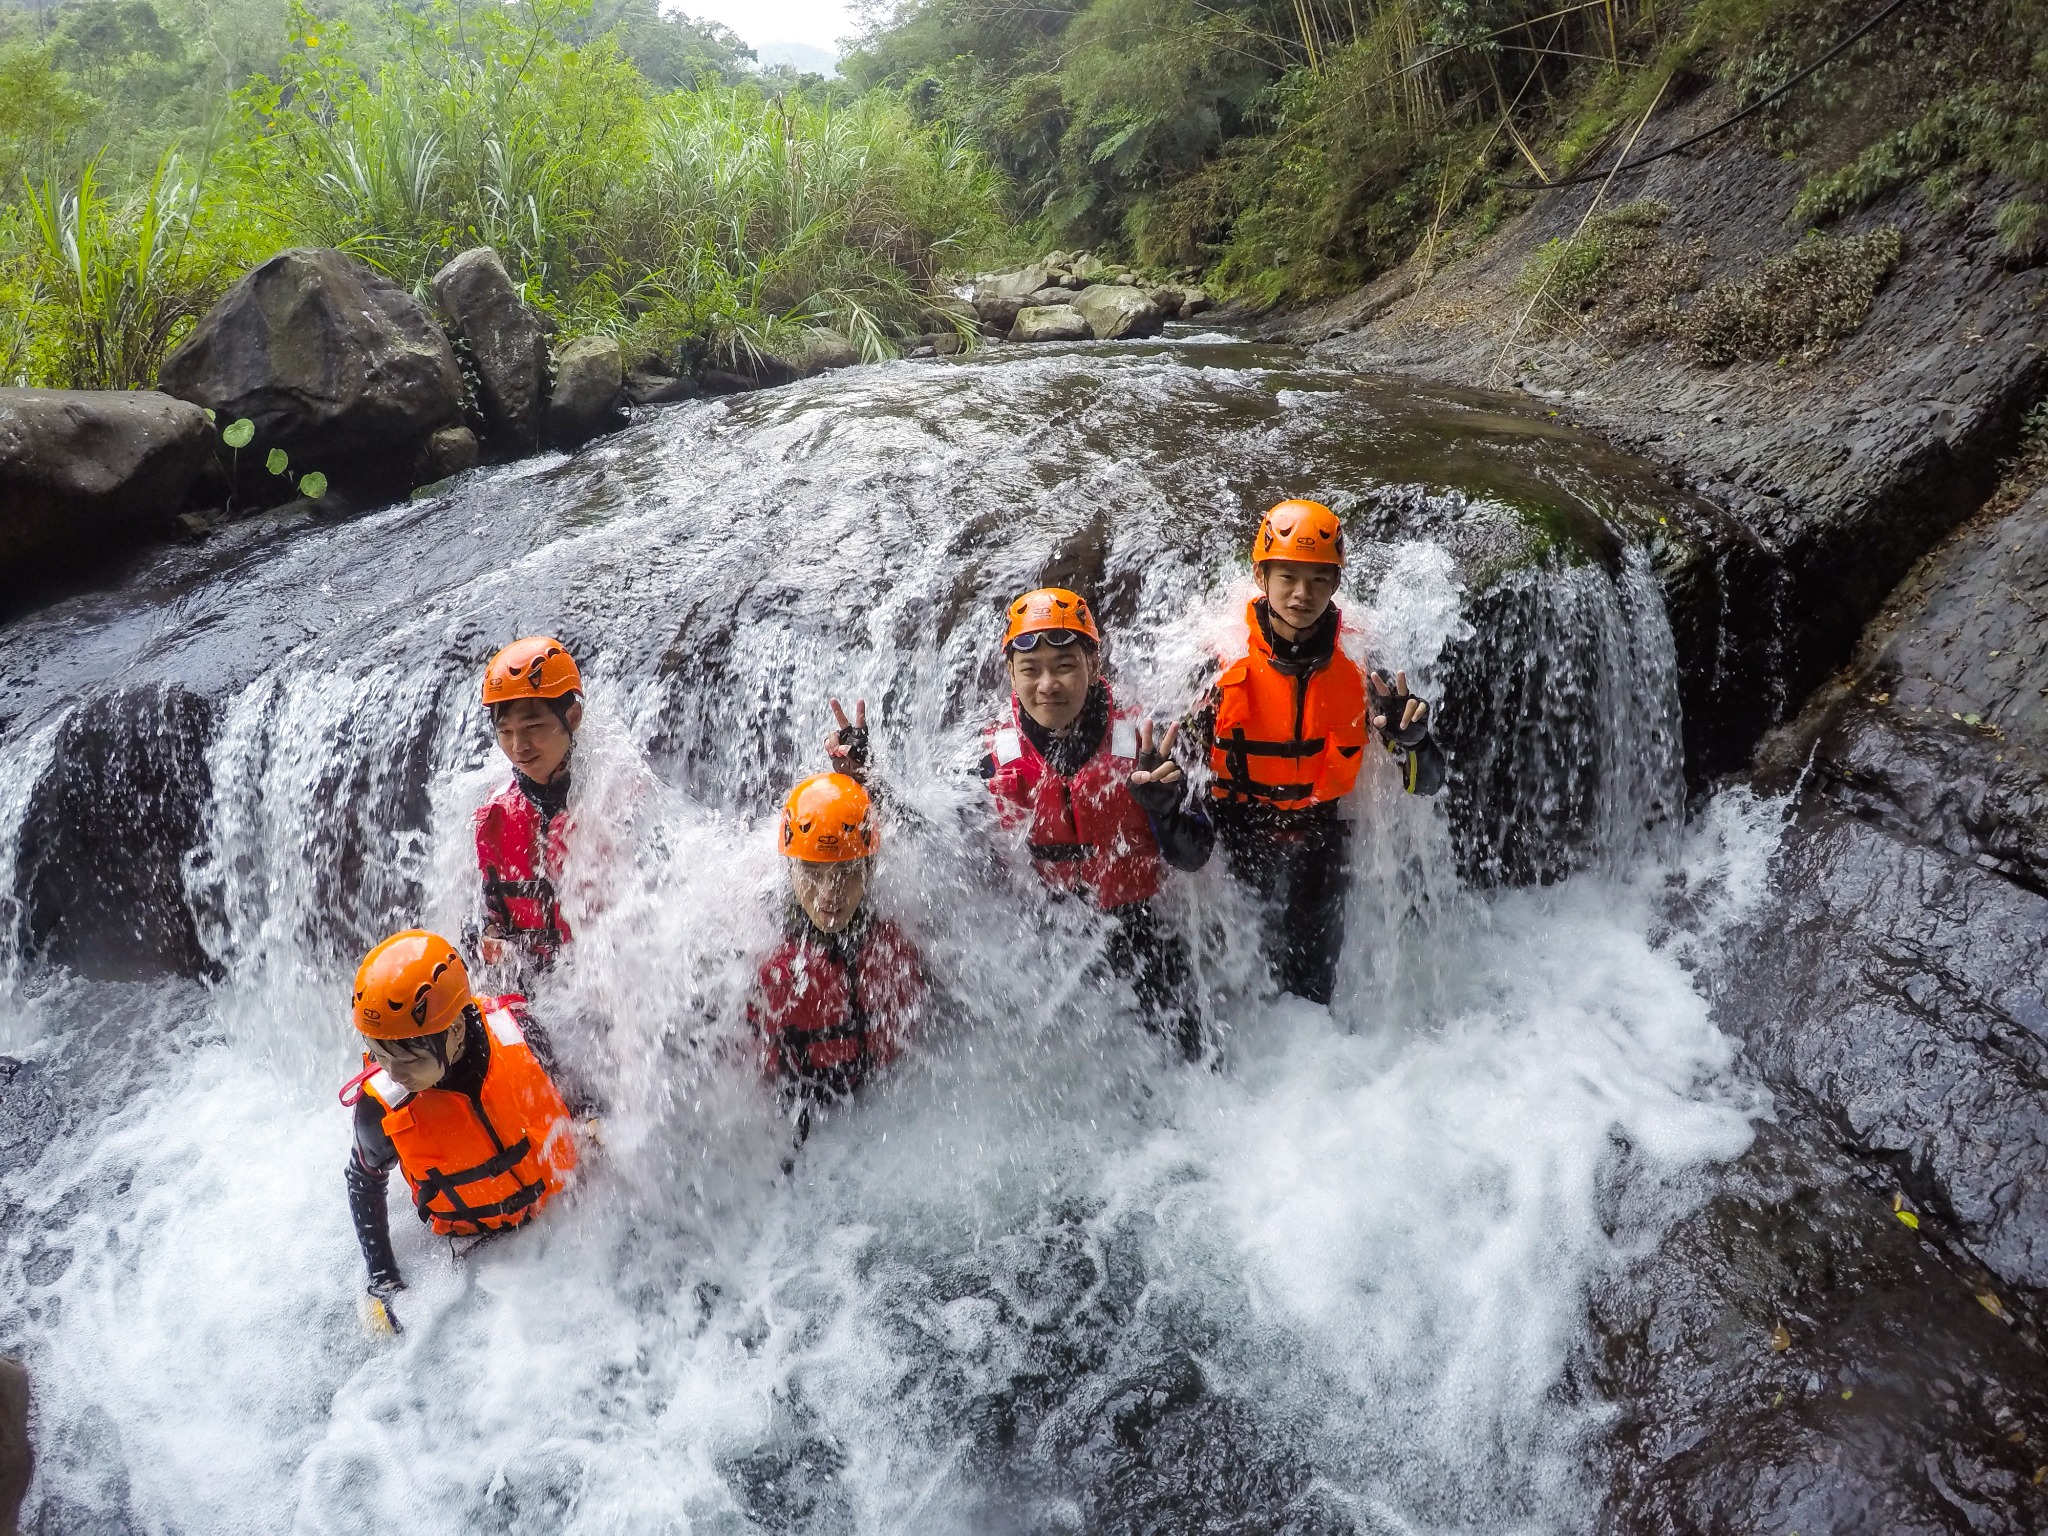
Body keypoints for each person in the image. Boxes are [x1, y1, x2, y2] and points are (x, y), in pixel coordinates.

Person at [1190, 499, 1445, 1007]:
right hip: (1237, 831)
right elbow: (1180, 770)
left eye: (1318, 579)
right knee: (1241, 984)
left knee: (1312, 991)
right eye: (1287, 576)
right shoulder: (1211, 664)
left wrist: (1415, 742)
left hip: (1320, 836)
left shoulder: (1364, 665)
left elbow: (1427, 782)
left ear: (1335, 584)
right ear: (1261, 575)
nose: (1302, 594)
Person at [960, 587, 1214, 1058]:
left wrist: (1165, 808)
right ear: (1011, 675)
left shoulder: (1146, 744)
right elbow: (940, 848)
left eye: (1064, 666)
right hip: (1045, 936)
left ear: (1094, 667)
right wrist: (873, 783)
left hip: (1141, 929)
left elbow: (1194, 856)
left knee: (1193, 1060)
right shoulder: (989, 759)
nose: (1047, 684)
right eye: (1030, 670)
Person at [339, 929, 580, 1332]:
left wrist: (593, 1122)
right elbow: (363, 1181)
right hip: (473, 1260)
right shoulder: (380, 1106)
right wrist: (383, 1279)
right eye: (379, 1053)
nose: (392, 1072)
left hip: (562, 1234)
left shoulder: (518, 1031)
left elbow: (567, 1088)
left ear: (454, 1030)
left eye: (407, 1057)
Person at [749, 772, 925, 1146]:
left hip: (882, 1121)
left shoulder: (896, 941)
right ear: (790, 870)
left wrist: (876, 781)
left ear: (870, 869)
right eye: (812, 873)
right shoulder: (758, 960)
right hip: (791, 1131)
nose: (830, 893)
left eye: (846, 872)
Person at [475, 636, 583, 972]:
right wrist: (489, 937)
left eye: (532, 727)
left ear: (573, 717)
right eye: (504, 731)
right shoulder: (495, 812)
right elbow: (481, 914)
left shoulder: (615, 803)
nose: (518, 746)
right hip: (534, 986)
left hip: (604, 991)